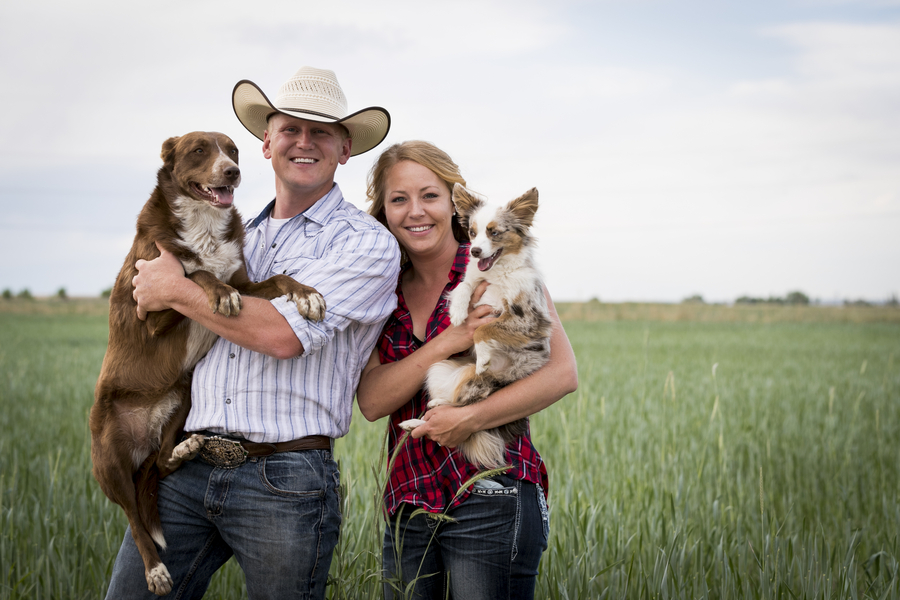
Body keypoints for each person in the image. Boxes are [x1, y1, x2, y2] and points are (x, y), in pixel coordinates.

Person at [104, 66, 401, 599]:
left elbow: (283, 336)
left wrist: (176, 288)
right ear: (266, 143)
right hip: (186, 467)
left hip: (284, 481)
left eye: (321, 132)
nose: (303, 142)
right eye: (290, 129)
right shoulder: (235, 234)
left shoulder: (367, 244)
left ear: (345, 148)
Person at [357, 141, 578, 599]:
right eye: (398, 199)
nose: (415, 211)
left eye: (430, 196)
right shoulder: (380, 289)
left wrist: (468, 419)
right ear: (383, 210)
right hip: (409, 499)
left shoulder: (502, 268)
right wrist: (451, 340)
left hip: (491, 489)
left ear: (457, 205)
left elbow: (561, 373)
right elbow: (374, 402)